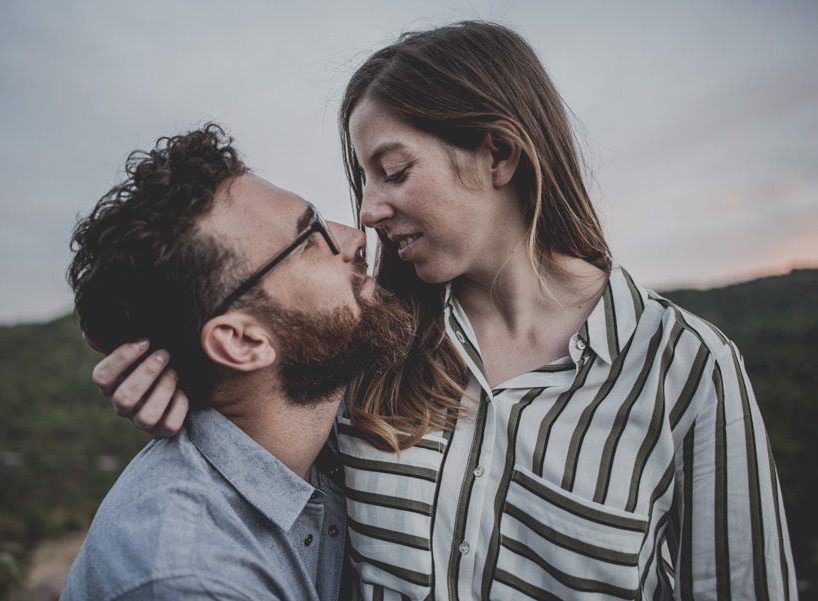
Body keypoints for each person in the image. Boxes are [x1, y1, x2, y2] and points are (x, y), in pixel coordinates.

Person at [92, 22, 797, 600]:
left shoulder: (687, 370)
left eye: (394, 172)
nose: (366, 211)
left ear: (499, 153)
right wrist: (184, 382)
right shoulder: (372, 344)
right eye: (363, 178)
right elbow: (264, 416)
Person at [60, 123, 414, 601]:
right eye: (310, 240)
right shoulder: (188, 577)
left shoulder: (321, 423)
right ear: (243, 341)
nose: (355, 235)